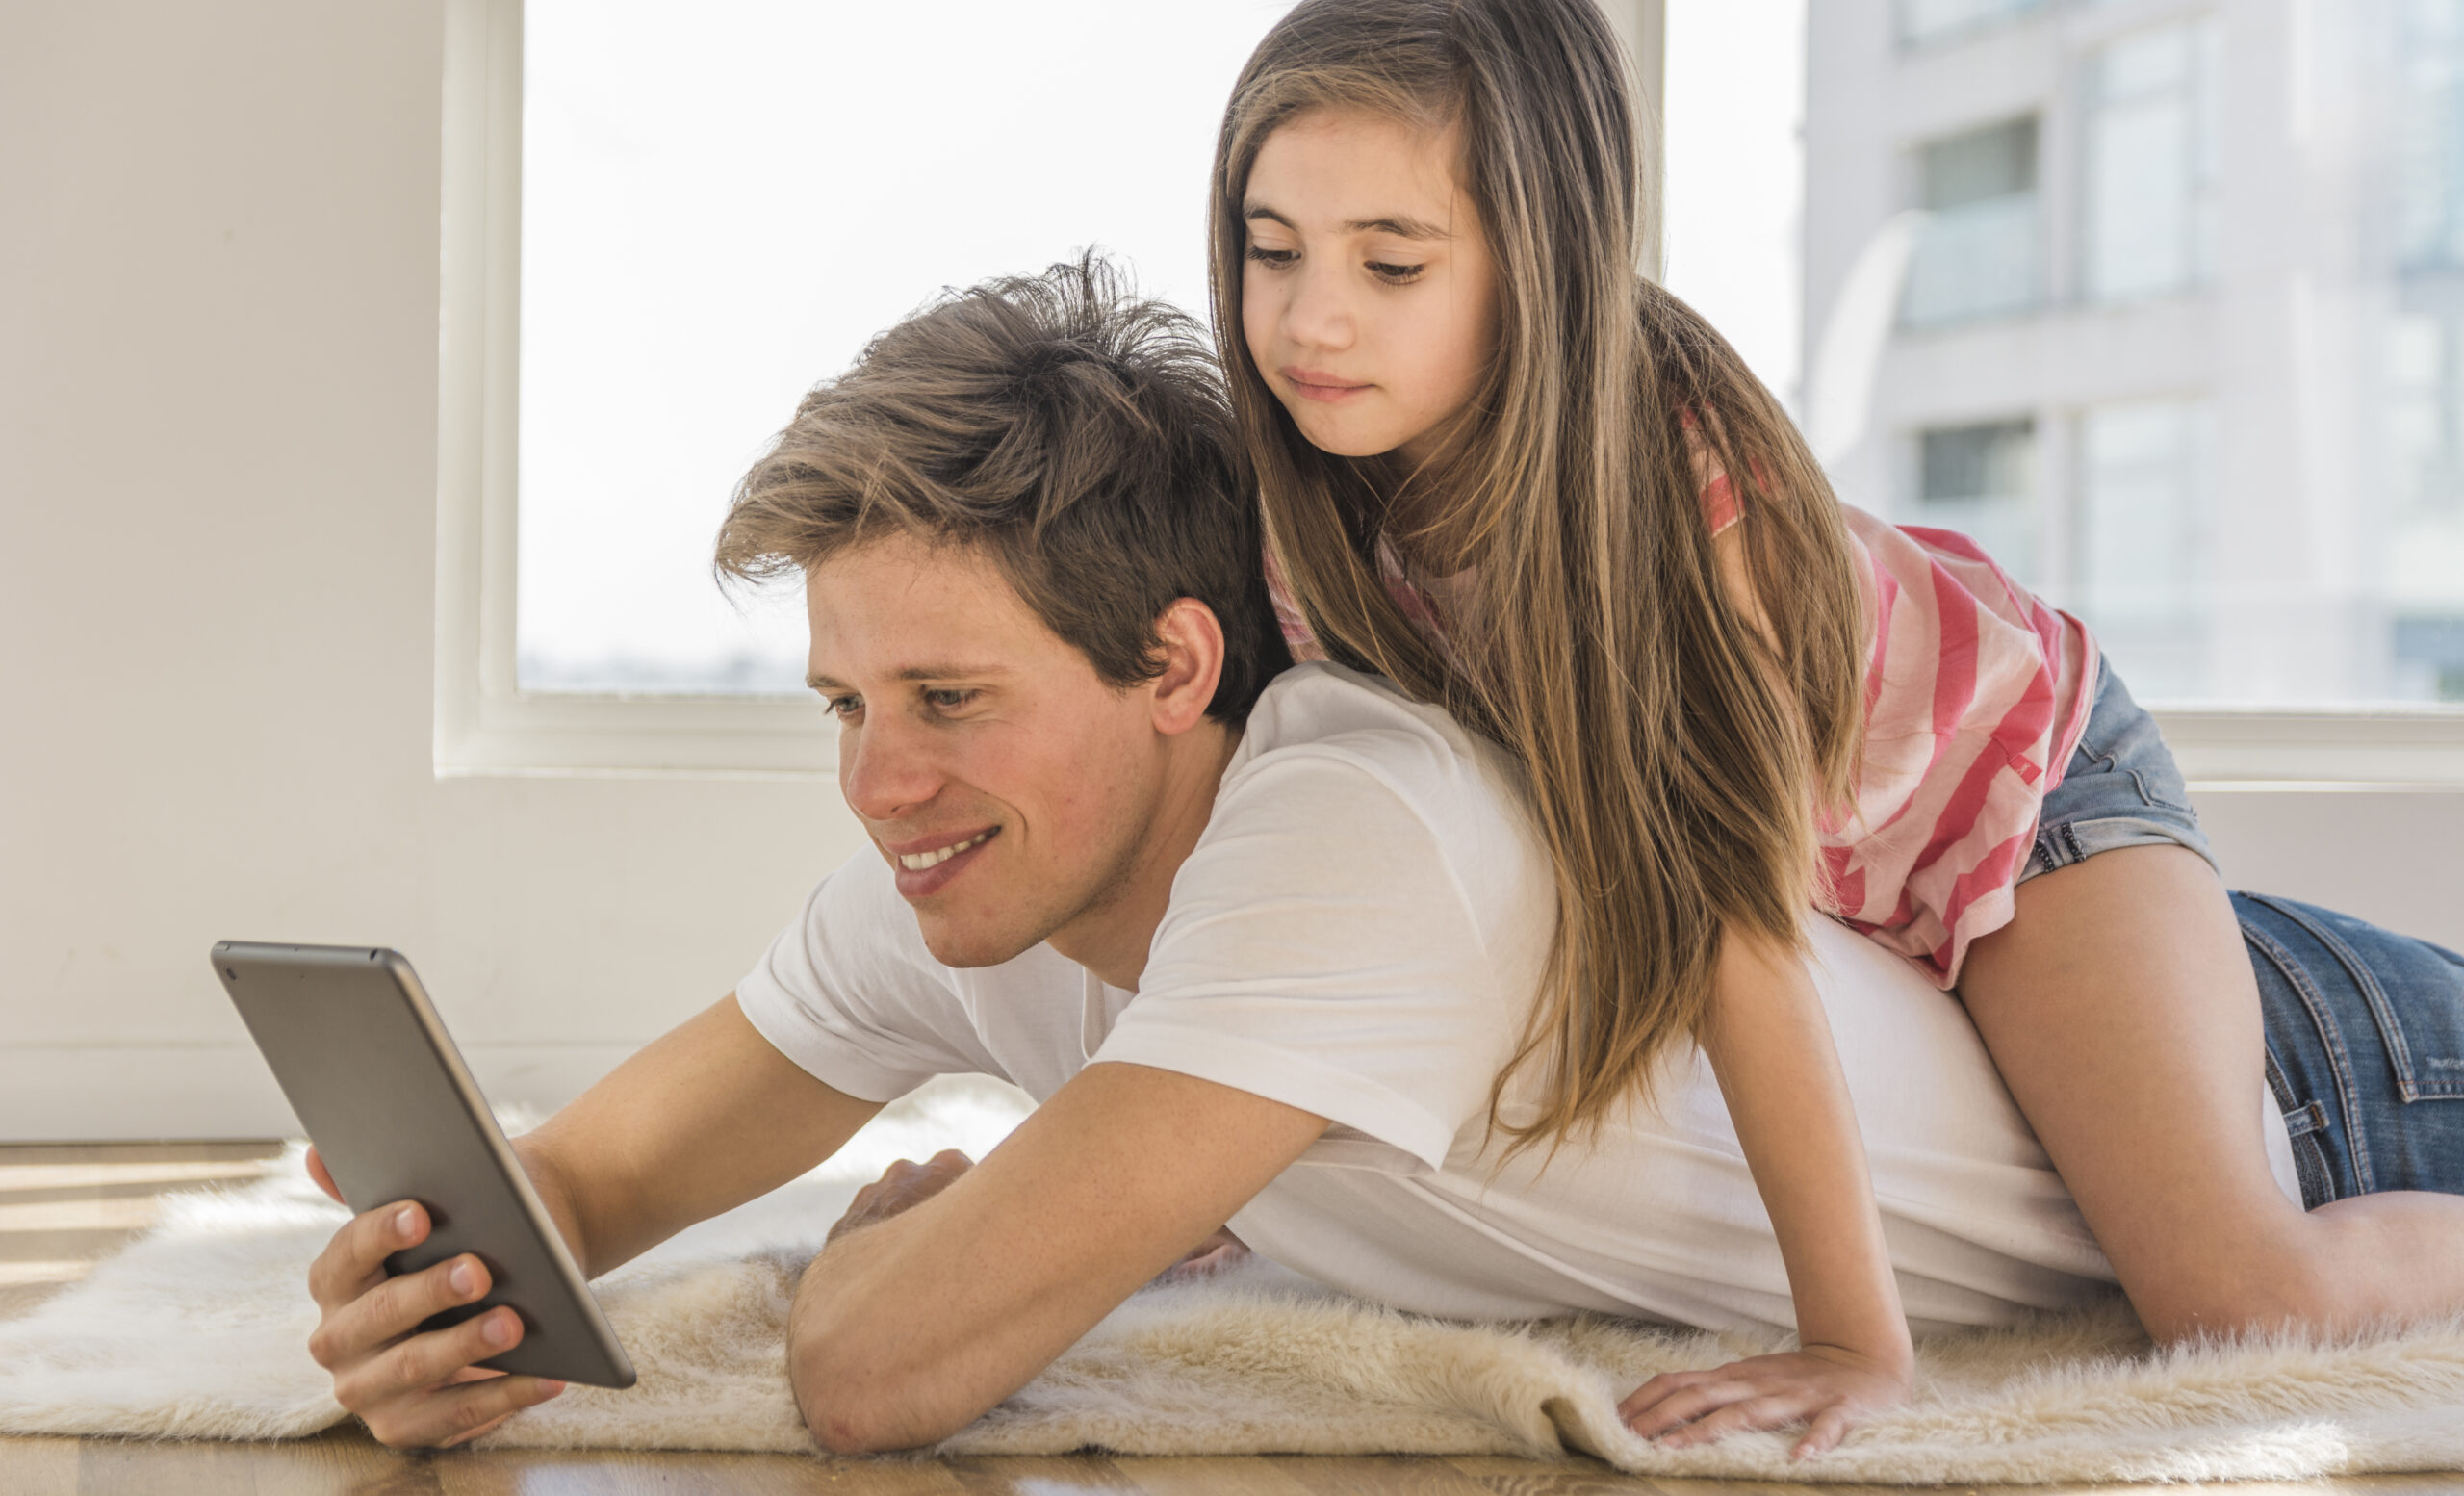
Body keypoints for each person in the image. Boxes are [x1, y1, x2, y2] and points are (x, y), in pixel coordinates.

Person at [300, 258, 2464, 1457]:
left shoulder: (1348, 829)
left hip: (2313, 1067)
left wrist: (866, 1260)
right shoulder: (962, 876)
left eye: (945, 700)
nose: (877, 785)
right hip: (2193, 999)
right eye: (841, 705)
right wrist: (436, 1290)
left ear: (1172, 658)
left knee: (2237, 1302)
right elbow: (582, 1181)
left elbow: (878, 1372)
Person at [1212, 0, 2464, 1446]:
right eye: (1272, 248)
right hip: (1839, 851)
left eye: (1390, 263)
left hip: (2015, 803)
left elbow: (1736, 925)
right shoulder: (1311, 501)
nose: (1309, 321)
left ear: (1541, 265)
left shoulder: (1665, 500)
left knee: (2242, 1298)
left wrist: (1854, 1342)